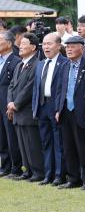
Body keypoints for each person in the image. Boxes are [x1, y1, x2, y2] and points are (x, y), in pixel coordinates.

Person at [55, 36, 85, 190]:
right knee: (68, 146)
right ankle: (73, 178)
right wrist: (58, 109)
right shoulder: (64, 66)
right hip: (66, 110)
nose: (69, 49)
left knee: (84, 146)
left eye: (73, 46)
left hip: (82, 111)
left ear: (82, 48)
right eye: (67, 47)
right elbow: (60, 89)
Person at [32, 33, 67, 186]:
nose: (46, 47)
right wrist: (35, 107)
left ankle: (59, 175)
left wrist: (59, 108)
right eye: (44, 44)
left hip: (56, 107)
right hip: (42, 106)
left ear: (58, 45)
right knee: (46, 142)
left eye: (49, 44)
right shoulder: (40, 64)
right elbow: (36, 88)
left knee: (58, 142)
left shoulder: (64, 63)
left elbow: (63, 89)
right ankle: (48, 174)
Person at [7, 33, 43, 181]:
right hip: (16, 111)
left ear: (33, 47)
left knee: (32, 144)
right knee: (22, 143)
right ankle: (27, 171)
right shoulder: (19, 65)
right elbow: (11, 86)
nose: (20, 46)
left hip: (27, 111)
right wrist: (10, 103)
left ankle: (38, 172)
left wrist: (16, 103)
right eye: (20, 44)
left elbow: (30, 88)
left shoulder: (36, 64)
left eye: (24, 44)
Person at [0, 31, 22, 178]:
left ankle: (16, 167)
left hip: (7, 103)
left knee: (11, 136)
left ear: (8, 43)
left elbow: (15, 86)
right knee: (1, 136)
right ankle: (5, 166)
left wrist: (11, 103)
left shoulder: (16, 61)